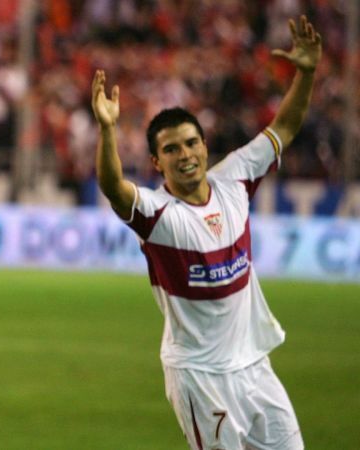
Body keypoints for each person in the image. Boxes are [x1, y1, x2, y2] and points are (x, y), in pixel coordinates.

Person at [90, 15, 320, 450]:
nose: (186, 155)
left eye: (191, 143)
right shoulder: (159, 215)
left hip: (254, 365)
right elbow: (113, 188)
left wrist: (306, 73)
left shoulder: (234, 179)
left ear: (204, 144)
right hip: (199, 377)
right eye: (171, 149)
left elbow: (285, 127)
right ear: (157, 163)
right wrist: (107, 129)